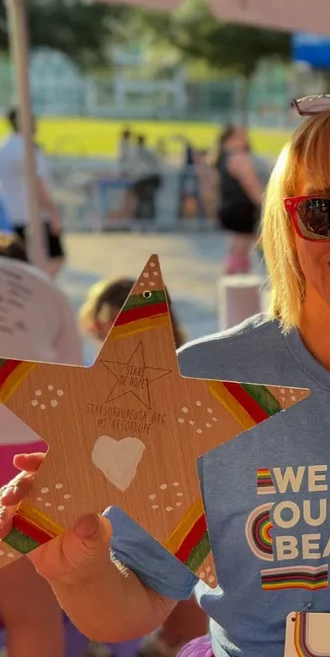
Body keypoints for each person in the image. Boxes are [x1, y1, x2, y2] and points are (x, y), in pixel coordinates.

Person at [0, 96, 330, 657]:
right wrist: (77, 571)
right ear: (286, 222)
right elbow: (137, 604)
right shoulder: (197, 383)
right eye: (324, 212)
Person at [77, 277, 207, 657]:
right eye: (109, 319)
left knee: (178, 601)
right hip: (132, 507)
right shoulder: (90, 377)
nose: (114, 328)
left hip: (167, 503)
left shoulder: (181, 368)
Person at [0, 233, 83, 657]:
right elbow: (72, 384)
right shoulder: (40, 286)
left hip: (22, 452)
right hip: (23, 454)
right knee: (31, 613)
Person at [0, 109, 65, 277]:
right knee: (55, 257)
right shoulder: (29, 149)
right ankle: (39, 292)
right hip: (35, 216)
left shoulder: (5, 147)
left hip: (12, 215)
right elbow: (38, 184)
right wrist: (53, 213)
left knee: (22, 262)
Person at [215, 125, 264, 274]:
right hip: (242, 209)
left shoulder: (223, 157)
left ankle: (232, 282)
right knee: (241, 249)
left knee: (236, 248)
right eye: (241, 136)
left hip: (230, 207)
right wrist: (265, 203)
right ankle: (237, 284)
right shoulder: (239, 157)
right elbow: (250, 183)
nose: (245, 140)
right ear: (230, 139)